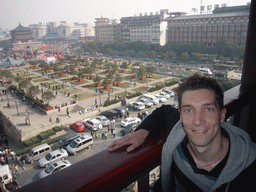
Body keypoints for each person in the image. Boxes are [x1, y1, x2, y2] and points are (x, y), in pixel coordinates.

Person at [108, 73, 256, 191]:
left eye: (208, 109)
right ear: (181, 115)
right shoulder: (177, 133)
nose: (198, 120)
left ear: (222, 115)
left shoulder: (248, 170)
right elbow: (163, 111)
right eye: (189, 110)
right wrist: (141, 131)